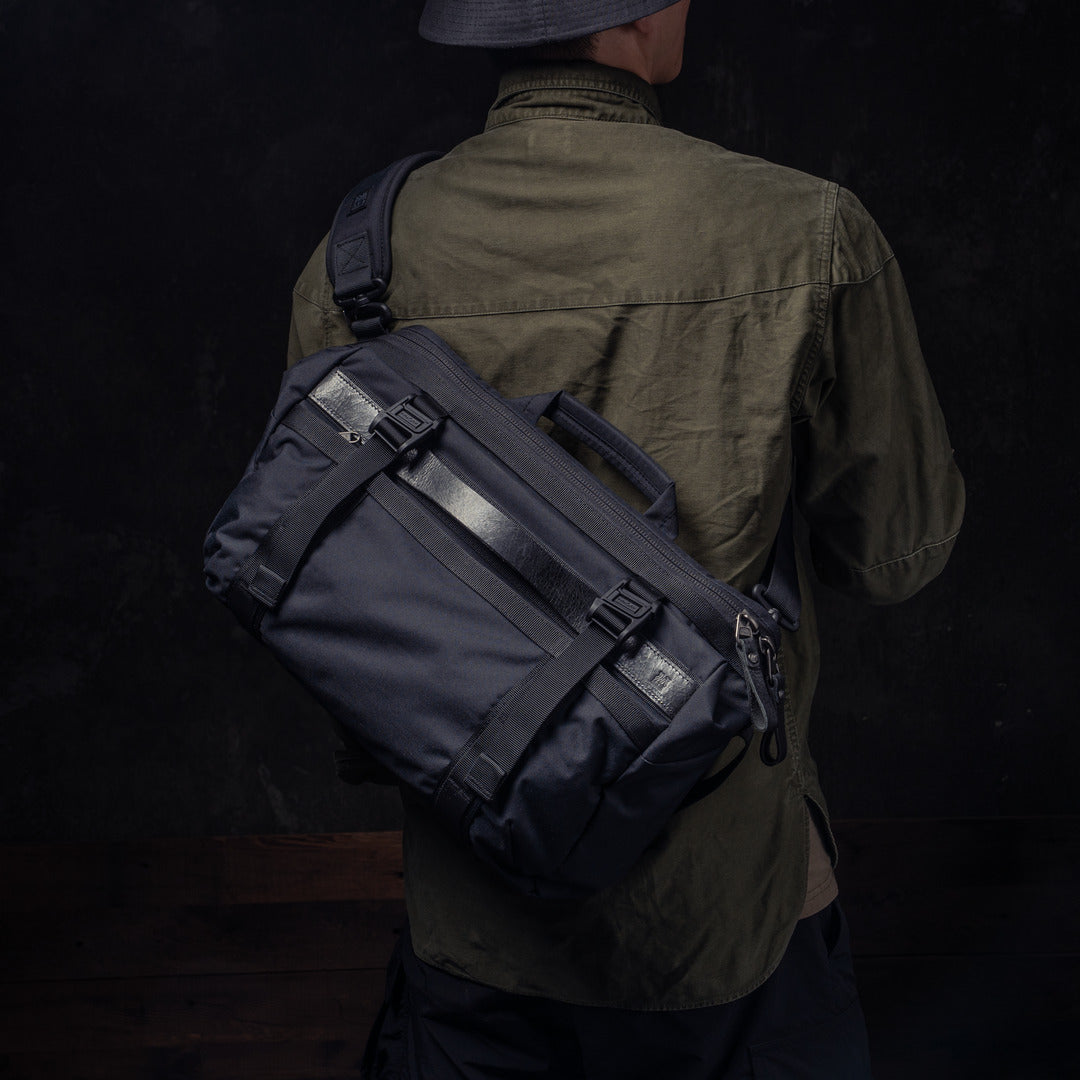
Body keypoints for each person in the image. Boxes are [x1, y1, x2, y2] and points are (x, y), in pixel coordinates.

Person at [286, 2, 965, 1076]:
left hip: (477, 910)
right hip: (730, 905)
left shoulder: (358, 257)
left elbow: (329, 584)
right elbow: (895, 554)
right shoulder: (804, 230)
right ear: (645, 18)